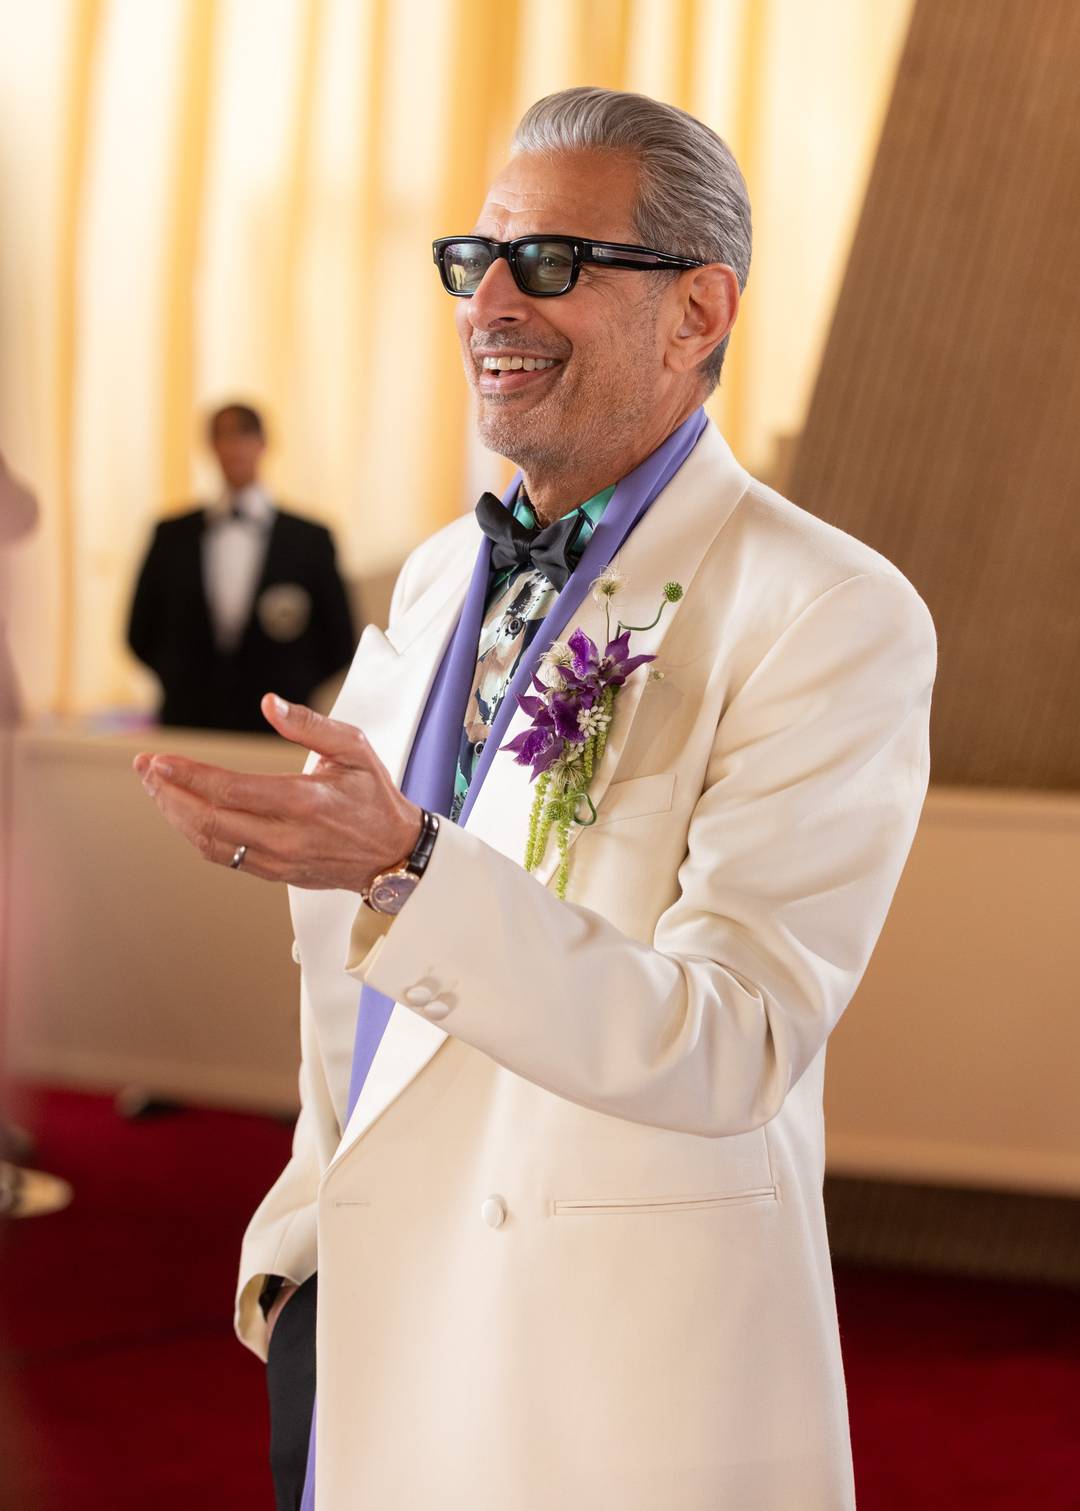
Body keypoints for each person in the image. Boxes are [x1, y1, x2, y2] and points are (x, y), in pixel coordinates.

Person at [135, 88, 936, 1511]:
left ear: (698, 312)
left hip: (601, 1381)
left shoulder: (830, 610)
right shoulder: (440, 572)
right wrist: (303, 1239)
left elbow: (735, 1038)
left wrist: (406, 867)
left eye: (554, 263)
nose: (488, 302)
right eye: (474, 259)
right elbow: (360, 984)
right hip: (366, 1329)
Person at [127, 403, 355, 732]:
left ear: (263, 444)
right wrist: (182, 677)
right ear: (211, 446)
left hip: (277, 727)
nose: (234, 447)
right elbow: (139, 632)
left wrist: (292, 686)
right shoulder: (171, 536)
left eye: (244, 434)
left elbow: (339, 639)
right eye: (223, 436)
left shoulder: (310, 540)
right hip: (188, 721)